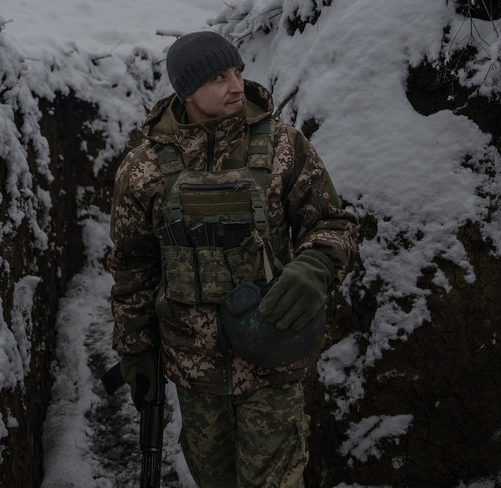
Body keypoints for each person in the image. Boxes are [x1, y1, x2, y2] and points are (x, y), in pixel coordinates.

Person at [107, 30, 359, 486]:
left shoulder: (284, 147)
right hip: (193, 370)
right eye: (219, 76)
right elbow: (132, 268)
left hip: (273, 357)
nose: (237, 86)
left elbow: (333, 223)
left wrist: (315, 267)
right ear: (186, 89)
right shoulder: (143, 168)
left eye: (239, 72)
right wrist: (135, 350)